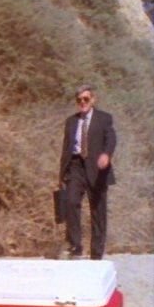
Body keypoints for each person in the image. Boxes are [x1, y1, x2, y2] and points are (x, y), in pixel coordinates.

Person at [58, 84, 117, 260]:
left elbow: (111, 138)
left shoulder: (104, 118)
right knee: (71, 202)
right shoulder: (71, 121)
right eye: (79, 100)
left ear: (93, 100)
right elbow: (66, 149)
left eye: (86, 99)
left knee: (98, 210)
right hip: (76, 166)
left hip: (97, 168)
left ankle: (96, 252)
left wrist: (106, 154)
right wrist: (61, 175)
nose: (82, 102)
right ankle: (75, 246)